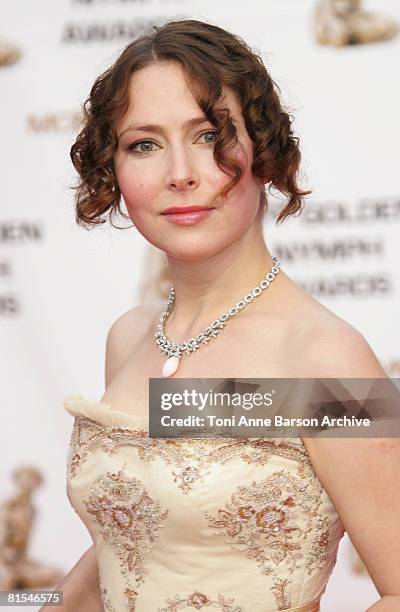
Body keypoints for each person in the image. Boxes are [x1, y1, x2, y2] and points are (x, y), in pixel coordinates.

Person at [45, 19, 400, 612]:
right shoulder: (131, 337)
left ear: (264, 150)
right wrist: (17, 603)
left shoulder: (326, 357)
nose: (180, 173)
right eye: (144, 144)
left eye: (210, 136)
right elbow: (126, 556)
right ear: (114, 171)